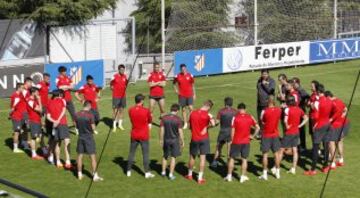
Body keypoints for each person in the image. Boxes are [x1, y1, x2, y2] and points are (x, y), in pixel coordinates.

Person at [224, 103, 260, 183]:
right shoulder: (250, 117)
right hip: (246, 142)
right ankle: (243, 176)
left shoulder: (235, 118)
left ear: (238, 109)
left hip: (236, 141)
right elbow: (258, 127)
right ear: (245, 109)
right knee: (244, 160)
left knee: (232, 158)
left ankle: (229, 176)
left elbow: (232, 130)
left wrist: (231, 141)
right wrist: (252, 136)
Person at [304, 84, 333, 176]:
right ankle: (325, 166)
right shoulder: (329, 100)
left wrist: (314, 124)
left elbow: (316, 116)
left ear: (317, 91)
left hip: (319, 125)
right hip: (327, 124)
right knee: (326, 145)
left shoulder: (317, 102)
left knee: (316, 147)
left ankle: (313, 169)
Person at [185, 100, 215, 184]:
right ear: (209, 107)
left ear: (203, 104)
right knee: (202, 158)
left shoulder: (192, 113)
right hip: (204, 138)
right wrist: (206, 127)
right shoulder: (208, 114)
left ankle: (190, 175)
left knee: (192, 157)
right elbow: (213, 124)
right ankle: (200, 178)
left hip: (194, 138)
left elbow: (188, 126)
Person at [126, 94, 154, 178]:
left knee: (131, 153)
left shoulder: (130, 110)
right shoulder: (146, 110)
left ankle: (128, 171)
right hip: (144, 135)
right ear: (141, 101)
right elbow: (150, 120)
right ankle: (147, 172)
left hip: (134, 134)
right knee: (145, 154)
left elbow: (132, 120)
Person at [279, 96, 308, 174]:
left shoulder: (287, 109)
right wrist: (300, 125)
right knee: (295, 150)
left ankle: (276, 167)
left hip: (289, 133)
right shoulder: (299, 109)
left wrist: (287, 126)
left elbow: (285, 121)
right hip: (296, 132)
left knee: (281, 149)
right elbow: (306, 118)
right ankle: (293, 168)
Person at [75, 101, 103, 181]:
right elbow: (93, 128)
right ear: (89, 106)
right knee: (92, 156)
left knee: (80, 156)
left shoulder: (77, 114)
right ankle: (95, 176)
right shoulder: (90, 115)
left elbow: (76, 125)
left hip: (80, 137)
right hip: (88, 138)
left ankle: (79, 174)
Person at [46, 90, 72, 169]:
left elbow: (48, 116)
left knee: (57, 143)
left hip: (55, 125)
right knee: (67, 141)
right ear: (59, 95)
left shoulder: (49, 103)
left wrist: (54, 121)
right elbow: (63, 111)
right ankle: (67, 161)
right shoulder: (62, 100)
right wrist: (58, 120)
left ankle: (58, 161)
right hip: (62, 123)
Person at [258, 96, 282, 180]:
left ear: (268, 101)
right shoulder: (278, 110)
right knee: (276, 154)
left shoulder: (264, 111)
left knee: (265, 154)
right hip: (275, 134)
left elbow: (262, 122)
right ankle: (278, 173)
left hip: (266, 135)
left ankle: (265, 174)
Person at [325, 91, 350, 169]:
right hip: (344, 124)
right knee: (339, 141)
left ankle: (332, 163)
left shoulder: (331, 103)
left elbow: (331, 116)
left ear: (328, 97)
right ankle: (341, 160)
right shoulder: (339, 100)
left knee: (331, 143)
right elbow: (345, 109)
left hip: (335, 126)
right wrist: (342, 116)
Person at [159, 104, 184, 180]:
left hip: (166, 140)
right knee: (173, 157)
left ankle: (163, 172)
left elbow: (162, 130)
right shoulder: (178, 119)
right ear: (177, 110)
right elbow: (180, 132)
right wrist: (182, 141)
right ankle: (170, 174)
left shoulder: (164, 118)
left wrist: (161, 140)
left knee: (165, 156)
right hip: (174, 141)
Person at [210, 97, 237, 168]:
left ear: (225, 103)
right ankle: (229, 163)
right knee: (229, 148)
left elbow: (217, 122)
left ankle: (214, 162)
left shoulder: (221, 111)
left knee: (219, 147)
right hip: (231, 132)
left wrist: (212, 122)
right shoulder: (235, 112)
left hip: (223, 132)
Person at [173, 64, 196, 129]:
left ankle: (191, 121)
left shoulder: (190, 75)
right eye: (182, 69)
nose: (183, 70)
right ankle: (185, 123)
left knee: (191, 108)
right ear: (180, 69)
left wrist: (194, 94)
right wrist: (176, 90)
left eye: (184, 69)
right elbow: (174, 84)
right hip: (182, 95)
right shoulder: (177, 76)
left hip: (190, 94)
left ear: (186, 68)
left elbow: (193, 85)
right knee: (183, 109)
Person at [56, 66, 77, 134]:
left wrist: (66, 87)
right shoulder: (57, 79)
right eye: (64, 71)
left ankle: (77, 129)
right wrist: (68, 87)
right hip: (62, 100)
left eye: (65, 71)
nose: (65, 72)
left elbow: (73, 85)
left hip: (69, 99)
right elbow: (60, 88)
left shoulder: (67, 78)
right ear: (61, 72)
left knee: (73, 114)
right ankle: (60, 130)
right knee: (61, 116)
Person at [256, 69, 275, 138]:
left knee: (267, 119)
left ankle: (268, 133)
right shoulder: (259, 80)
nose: (264, 75)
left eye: (265, 74)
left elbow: (271, 91)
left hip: (267, 103)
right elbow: (258, 89)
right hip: (259, 103)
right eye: (263, 74)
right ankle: (261, 133)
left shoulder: (272, 81)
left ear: (268, 74)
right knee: (260, 119)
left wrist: (265, 85)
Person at [26, 87, 44, 160]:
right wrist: (39, 100)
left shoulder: (33, 100)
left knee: (39, 135)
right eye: (37, 92)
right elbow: (40, 110)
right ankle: (34, 154)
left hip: (37, 121)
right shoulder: (30, 101)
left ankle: (43, 149)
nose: (38, 93)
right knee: (34, 138)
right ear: (33, 93)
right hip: (34, 121)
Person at [36, 73, 51, 156]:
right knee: (40, 120)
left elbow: (46, 94)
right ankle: (39, 132)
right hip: (41, 106)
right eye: (47, 78)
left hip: (46, 105)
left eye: (49, 78)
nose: (48, 80)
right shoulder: (39, 84)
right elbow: (35, 92)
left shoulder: (48, 84)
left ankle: (44, 130)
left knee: (48, 120)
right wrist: (38, 103)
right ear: (44, 78)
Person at [293, 77, 310, 152]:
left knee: (301, 130)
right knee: (298, 129)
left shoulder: (301, 90)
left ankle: (303, 146)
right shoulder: (296, 90)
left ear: (298, 83)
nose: (293, 84)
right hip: (297, 112)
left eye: (294, 83)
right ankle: (298, 145)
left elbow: (307, 96)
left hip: (301, 111)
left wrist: (304, 103)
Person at [110, 64, 128, 132]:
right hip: (116, 97)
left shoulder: (125, 76)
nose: (123, 71)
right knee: (115, 112)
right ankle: (114, 126)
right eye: (121, 70)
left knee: (121, 110)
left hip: (123, 96)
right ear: (119, 70)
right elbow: (111, 84)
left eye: (123, 70)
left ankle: (120, 125)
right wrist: (112, 88)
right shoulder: (114, 76)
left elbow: (126, 84)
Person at [9, 83, 25, 153]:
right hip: (16, 117)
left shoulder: (19, 95)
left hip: (20, 116)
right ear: (19, 88)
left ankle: (20, 144)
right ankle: (15, 148)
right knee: (16, 132)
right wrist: (10, 115)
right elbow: (12, 108)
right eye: (22, 88)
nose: (23, 89)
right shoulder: (16, 96)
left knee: (20, 131)